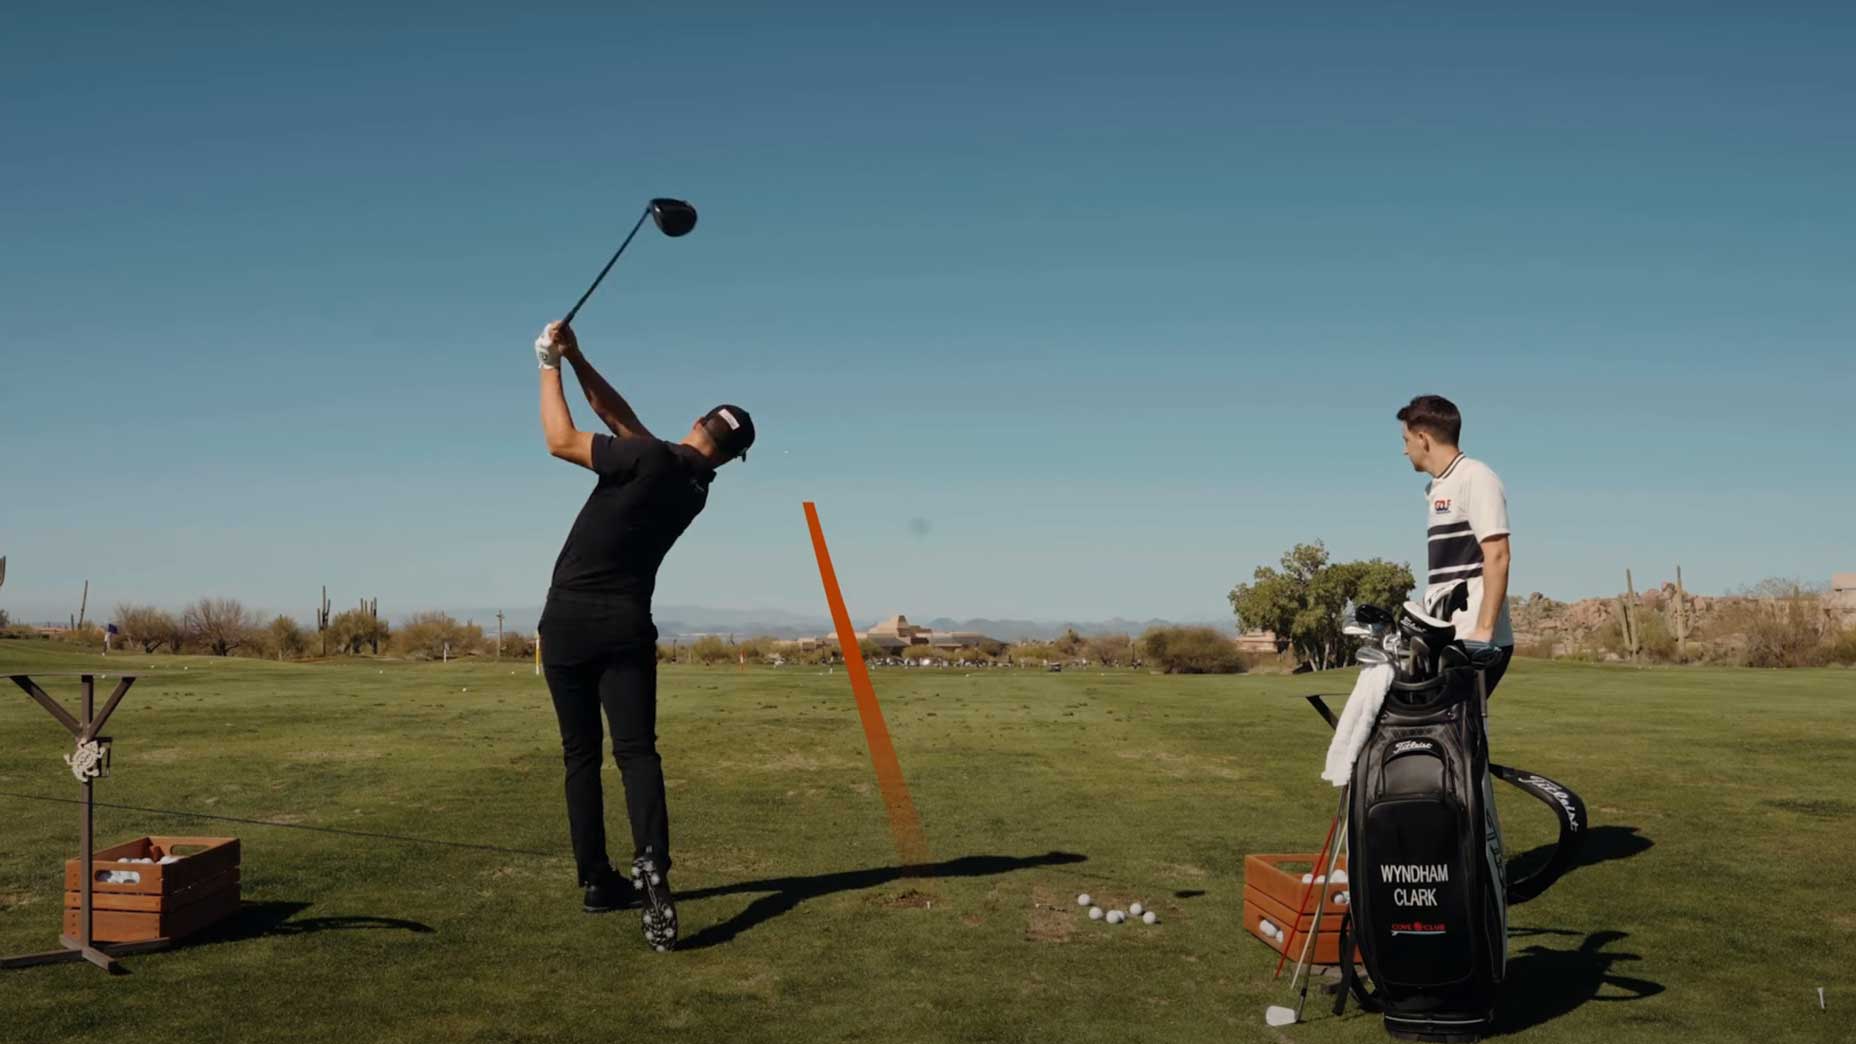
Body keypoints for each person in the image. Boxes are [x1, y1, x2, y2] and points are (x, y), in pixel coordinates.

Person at [533, 320, 755, 952]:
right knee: (637, 753)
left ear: (696, 421)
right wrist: (578, 357)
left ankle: (599, 881)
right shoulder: (692, 486)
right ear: (731, 458)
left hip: (568, 620)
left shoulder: (650, 458)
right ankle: (652, 861)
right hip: (628, 625)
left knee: (581, 756)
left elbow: (560, 440)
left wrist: (546, 364)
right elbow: (620, 416)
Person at [1397, 394, 1514, 694]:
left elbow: (1498, 555)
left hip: (1474, 641)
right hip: (1449, 639)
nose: (1403, 450)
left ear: (1423, 439)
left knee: (1457, 731)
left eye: (1406, 439)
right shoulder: (1437, 488)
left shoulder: (1475, 477)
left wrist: (1483, 632)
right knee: (1450, 734)